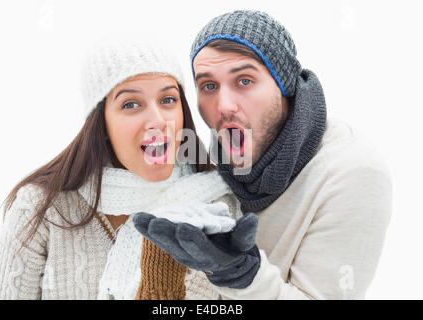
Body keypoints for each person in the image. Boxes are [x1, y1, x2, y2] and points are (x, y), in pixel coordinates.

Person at [133, 10, 393, 299]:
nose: (224, 105)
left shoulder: (353, 174)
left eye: (244, 81)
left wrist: (244, 277)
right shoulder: (214, 155)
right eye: (209, 86)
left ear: (284, 84)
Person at [0, 39, 250, 300]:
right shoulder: (41, 208)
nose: (158, 120)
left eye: (168, 99)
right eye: (130, 104)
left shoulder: (220, 207)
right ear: (101, 124)